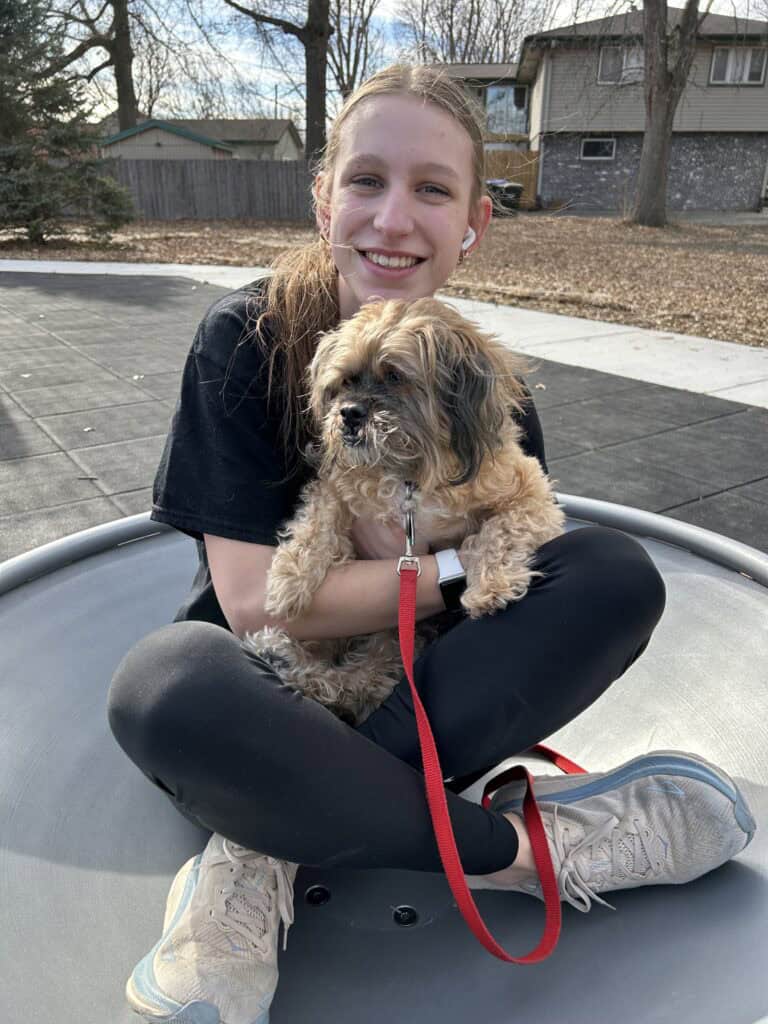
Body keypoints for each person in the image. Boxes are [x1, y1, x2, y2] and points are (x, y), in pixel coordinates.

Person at [107, 63, 755, 1024]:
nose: (394, 219)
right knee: (164, 685)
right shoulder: (244, 338)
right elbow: (257, 605)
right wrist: (445, 573)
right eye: (365, 181)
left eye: (433, 189)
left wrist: (456, 578)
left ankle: (271, 830)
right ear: (323, 197)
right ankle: (531, 854)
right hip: (265, 696)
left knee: (615, 572)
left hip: (421, 697)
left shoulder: (490, 390)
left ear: (473, 224)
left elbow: (521, 553)